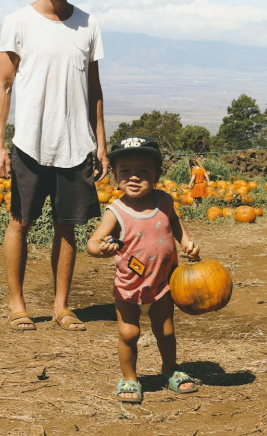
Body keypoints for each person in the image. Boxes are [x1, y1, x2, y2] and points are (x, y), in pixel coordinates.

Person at [0, 0, 110, 333]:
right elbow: (3, 85)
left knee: (67, 225)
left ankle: (62, 307)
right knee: (19, 222)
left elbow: (94, 89)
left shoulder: (88, 25)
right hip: (30, 142)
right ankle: (17, 305)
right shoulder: (18, 22)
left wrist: (101, 144)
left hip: (75, 143)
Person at [86, 136, 200, 404]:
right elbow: (92, 242)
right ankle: (129, 377)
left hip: (163, 284)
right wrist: (101, 249)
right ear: (115, 176)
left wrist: (186, 243)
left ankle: (170, 370)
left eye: (143, 171)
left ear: (157, 174)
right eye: (125, 171)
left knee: (166, 331)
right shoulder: (116, 211)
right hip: (130, 286)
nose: (134, 177)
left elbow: (175, 224)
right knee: (129, 334)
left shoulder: (164, 201)